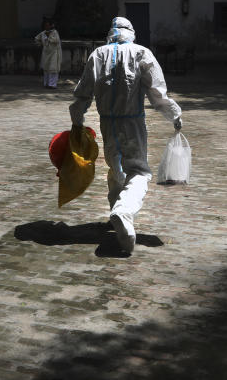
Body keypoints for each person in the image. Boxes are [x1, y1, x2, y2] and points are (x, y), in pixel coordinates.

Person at [69, 17, 182, 254]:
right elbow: (157, 94)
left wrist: (77, 122)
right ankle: (123, 212)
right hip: (133, 122)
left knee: (116, 168)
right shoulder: (142, 53)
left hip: (107, 124)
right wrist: (175, 116)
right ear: (131, 33)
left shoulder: (97, 54)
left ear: (111, 33)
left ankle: (117, 215)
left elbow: (83, 93)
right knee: (139, 171)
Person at [35, 18, 62, 88]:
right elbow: (37, 39)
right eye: (45, 25)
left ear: (51, 25)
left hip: (54, 53)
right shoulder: (43, 33)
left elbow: (56, 40)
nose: (46, 27)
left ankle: (52, 85)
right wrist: (40, 44)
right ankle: (46, 84)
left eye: (48, 25)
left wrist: (48, 36)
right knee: (46, 69)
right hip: (46, 53)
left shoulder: (55, 32)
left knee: (53, 69)